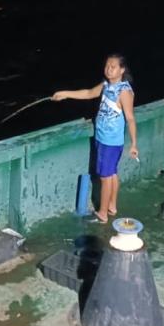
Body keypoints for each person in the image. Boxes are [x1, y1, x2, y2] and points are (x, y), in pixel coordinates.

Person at [52, 53, 138, 223]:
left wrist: (134, 144)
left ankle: (103, 214)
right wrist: (65, 93)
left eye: (113, 67)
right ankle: (112, 206)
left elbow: (130, 118)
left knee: (105, 177)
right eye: (107, 66)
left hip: (111, 141)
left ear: (122, 69)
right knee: (111, 174)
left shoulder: (124, 91)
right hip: (102, 137)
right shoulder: (107, 84)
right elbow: (89, 93)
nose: (108, 70)